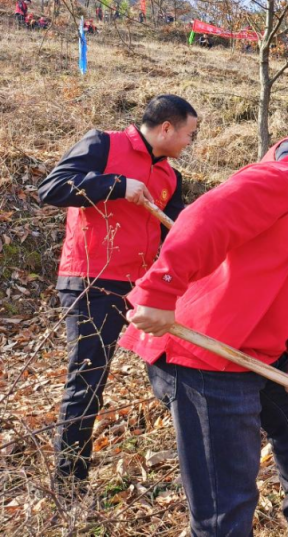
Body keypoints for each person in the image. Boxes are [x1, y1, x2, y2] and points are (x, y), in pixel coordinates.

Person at [120, 133, 288, 537]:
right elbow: (206, 218)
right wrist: (160, 290)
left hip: (261, 352)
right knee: (226, 494)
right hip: (207, 356)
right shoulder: (284, 182)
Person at [37, 95, 199, 484]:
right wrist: (115, 185)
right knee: (89, 377)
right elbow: (52, 188)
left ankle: (195, 461)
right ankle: (70, 481)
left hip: (143, 288)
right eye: (189, 134)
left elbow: (174, 234)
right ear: (166, 129)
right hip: (92, 280)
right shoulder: (102, 145)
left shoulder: (170, 177)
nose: (190, 143)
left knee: (173, 363)